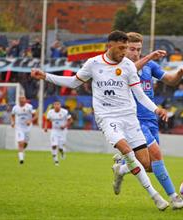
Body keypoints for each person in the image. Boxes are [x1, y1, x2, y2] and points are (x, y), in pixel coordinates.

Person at [31, 30, 169, 210]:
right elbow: (74, 82)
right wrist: (45, 76)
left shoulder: (128, 65)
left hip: (129, 117)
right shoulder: (94, 64)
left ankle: (120, 171)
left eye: (126, 48)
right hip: (107, 117)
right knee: (127, 151)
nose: (124, 52)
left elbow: (140, 95)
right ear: (109, 46)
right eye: (121, 48)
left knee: (146, 163)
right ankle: (156, 196)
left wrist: (156, 108)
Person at [112, 32, 183, 210]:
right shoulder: (120, 67)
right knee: (157, 155)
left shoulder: (149, 66)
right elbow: (131, 70)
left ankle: (122, 168)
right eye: (132, 49)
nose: (136, 53)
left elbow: (170, 81)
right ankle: (174, 198)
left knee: (150, 166)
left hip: (151, 119)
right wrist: (149, 57)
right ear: (124, 49)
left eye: (139, 49)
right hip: (133, 120)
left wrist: (179, 74)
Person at [44, 100, 73, 166]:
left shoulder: (64, 112)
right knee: (54, 145)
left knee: (60, 147)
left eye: (58, 104)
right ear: (53, 105)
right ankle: (56, 161)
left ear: (60, 105)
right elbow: (47, 120)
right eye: (55, 104)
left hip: (63, 131)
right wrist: (45, 127)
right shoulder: (50, 112)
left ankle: (62, 152)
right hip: (54, 130)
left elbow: (71, 120)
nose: (57, 106)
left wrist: (65, 126)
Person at [11, 95, 37, 164]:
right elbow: (12, 115)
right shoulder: (15, 108)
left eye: (23, 98)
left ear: (25, 99)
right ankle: (21, 159)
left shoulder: (29, 107)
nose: (22, 100)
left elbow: (36, 115)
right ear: (18, 100)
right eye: (20, 98)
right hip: (19, 127)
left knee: (25, 143)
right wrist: (13, 122)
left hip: (27, 128)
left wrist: (30, 121)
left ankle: (22, 151)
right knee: (20, 142)